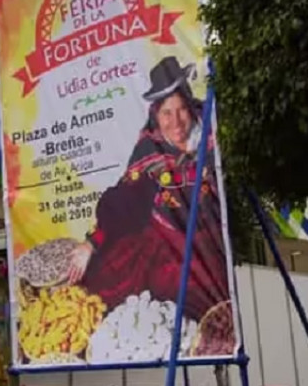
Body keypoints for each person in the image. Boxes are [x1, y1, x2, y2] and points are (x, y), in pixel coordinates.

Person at [65, 56, 230, 324]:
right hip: (163, 239)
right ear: (156, 115)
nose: (175, 122)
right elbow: (123, 203)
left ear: (191, 107)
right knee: (108, 277)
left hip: (206, 239)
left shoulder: (212, 134)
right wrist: (90, 244)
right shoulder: (149, 148)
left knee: (200, 287)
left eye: (182, 110)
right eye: (167, 113)